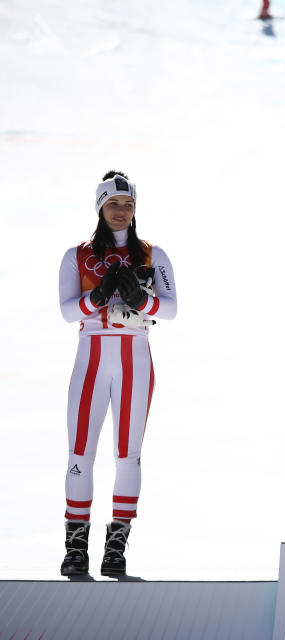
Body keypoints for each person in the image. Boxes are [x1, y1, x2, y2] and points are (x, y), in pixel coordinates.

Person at [57, 171, 177, 576]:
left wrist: (141, 298)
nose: (121, 211)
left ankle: (116, 547)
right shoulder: (77, 255)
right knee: (79, 455)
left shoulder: (152, 254)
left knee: (128, 456)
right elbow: (67, 310)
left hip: (135, 358)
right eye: (113, 204)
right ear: (100, 206)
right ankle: (76, 547)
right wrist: (98, 296)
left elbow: (172, 308)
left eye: (127, 204)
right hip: (90, 357)